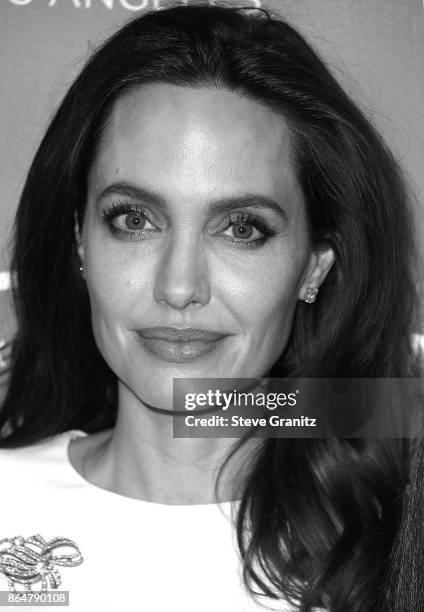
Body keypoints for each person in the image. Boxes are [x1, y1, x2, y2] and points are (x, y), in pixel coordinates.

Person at [0, 4, 421, 611]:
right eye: (135, 220)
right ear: (80, 243)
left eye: (241, 229)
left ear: (314, 266)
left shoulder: (394, 537)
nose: (179, 286)